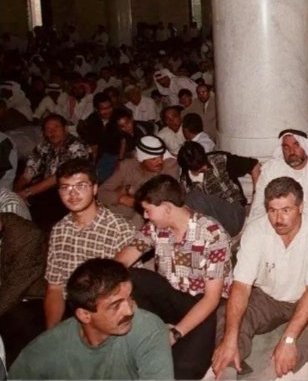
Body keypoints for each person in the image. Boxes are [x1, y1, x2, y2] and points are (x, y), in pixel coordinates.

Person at [211, 177, 308, 379]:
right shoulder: (255, 231)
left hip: (306, 297)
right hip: (269, 297)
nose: (278, 219)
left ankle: (279, 365)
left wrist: (288, 340)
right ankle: (229, 363)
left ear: (301, 207)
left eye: (286, 210)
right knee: (227, 313)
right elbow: (241, 286)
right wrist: (229, 338)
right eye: (272, 210)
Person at [116, 175, 231, 380]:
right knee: (131, 278)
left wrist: (175, 334)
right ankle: (145, 332)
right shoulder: (154, 227)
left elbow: (211, 299)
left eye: (148, 210)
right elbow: (124, 258)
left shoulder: (212, 235)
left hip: (202, 306)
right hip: (171, 296)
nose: (145, 215)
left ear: (167, 208)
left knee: (182, 369)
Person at [9, 258, 173, 380]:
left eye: (129, 298)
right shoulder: (49, 346)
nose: (129, 310)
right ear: (84, 315)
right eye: (115, 306)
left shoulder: (148, 329)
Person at [44, 159, 134, 328]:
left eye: (81, 186)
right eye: (65, 188)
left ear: (94, 188)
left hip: (107, 314)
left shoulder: (119, 229)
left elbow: (128, 291)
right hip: (70, 312)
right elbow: (55, 289)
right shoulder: (59, 230)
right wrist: (53, 333)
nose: (72, 194)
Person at [248, 129, 308, 250]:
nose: (291, 151)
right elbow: (259, 203)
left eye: (296, 145)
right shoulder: (272, 169)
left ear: (305, 146)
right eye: (286, 147)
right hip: (280, 219)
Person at [13, 114, 89, 228]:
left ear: (65, 129)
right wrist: (17, 192)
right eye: (48, 129)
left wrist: (27, 192)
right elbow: (28, 173)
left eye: (56, 128)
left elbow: (58, 178)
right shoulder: (43, 146)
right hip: (44, 190)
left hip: (69, 189)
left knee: (42, 206)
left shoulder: (76, 147)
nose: (52, 132)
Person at [98, 135, 179, 226]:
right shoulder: (127, 166)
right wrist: (122, 198)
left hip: (141, 222)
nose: (160, 161)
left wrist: (132, 194)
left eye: (161, 156)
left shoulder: (169, 167)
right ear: (142, 159)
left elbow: (158, 199)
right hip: (113, 217)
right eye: (153, 159)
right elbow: (101, 193)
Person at [0, 213, 46, 367]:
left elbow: (15, 287)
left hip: (32, 298)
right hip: (8, 293)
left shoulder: (27, 236)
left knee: (15, 325)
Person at [177, 140, 248, 236]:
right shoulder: (185, 181)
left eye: (204, 162)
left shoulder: (218, 160)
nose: (206, 167)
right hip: (213, 226)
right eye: (200, 166)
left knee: (194, 198)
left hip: (233, 215)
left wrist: (256, 196)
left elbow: (254, 165)